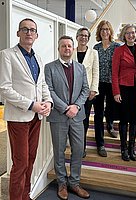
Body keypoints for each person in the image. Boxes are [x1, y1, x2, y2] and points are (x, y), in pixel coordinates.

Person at [0, 18, 53, 200]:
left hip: (36, 118)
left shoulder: (37, 57)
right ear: (18, 33)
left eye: (32, 30)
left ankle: (25, 195)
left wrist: (49, 102)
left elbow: (42, 84)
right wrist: (32, 104)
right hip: (18, 117)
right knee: (20, 162)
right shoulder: (7, 54)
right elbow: (5, 88)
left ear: (36, 35)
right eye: (25, 29)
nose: (28, 32)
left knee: (31, 159)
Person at [44, 35, 90, 200]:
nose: (67, 48)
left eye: (69, 46)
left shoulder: (80, 68)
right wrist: (65, 108)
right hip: (58, 116)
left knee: (78, 150)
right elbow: (49, 90)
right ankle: (62, 183)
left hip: (77, 116)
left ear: (73, 48)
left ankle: (75, 183)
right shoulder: (49, 67)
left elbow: (85, 89)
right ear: (59, 49)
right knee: (59, 151)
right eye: (63, 46)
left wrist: (76, 106)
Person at [112, 24, 136, 162]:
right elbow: (114, 73)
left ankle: (132, 148)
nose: (131, 35)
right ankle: (123, 149)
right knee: (124, 120)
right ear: (124, 35)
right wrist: (116, 92)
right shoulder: (119, 51)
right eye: (128, 33)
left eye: (133, 33)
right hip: (123, 88)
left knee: (134, 120)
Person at [93, 20, 120, 157]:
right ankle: (100, 143)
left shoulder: (117, 47)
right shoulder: (95, 48)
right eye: (102, 29)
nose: (105, 32)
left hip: (112, 83)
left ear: (110, 31)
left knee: (110, 108)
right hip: (97, 83)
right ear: (99, 31)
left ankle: (110, 125)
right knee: (98, 113)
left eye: (107, 29)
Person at [72, 27, 99, 158]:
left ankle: (81, 147)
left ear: (88, 39)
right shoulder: (71, 51)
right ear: (77, 37)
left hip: (87, 93)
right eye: (81, 35)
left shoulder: (94, 53)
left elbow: (95, 72)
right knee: (73, 120)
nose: (83, 38)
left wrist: (93, 90)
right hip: (72, 92)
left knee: (84, 120)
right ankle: (74, 145)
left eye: (86, 36)